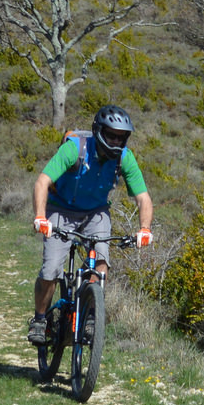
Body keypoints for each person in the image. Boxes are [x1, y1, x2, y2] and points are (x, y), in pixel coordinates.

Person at [27, 104, 153, 346]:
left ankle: (90, 317)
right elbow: (42, 182)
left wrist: (144, 229)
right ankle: (40, 319)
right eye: (111, 135)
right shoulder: (74, 149)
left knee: (101, 266)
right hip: (61, 209)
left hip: (96, 213)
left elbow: (143, 198)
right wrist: (40, 216)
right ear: (98, 131)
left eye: (121, 137)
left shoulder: (125, 158)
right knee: (51, 268)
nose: (116, 141)